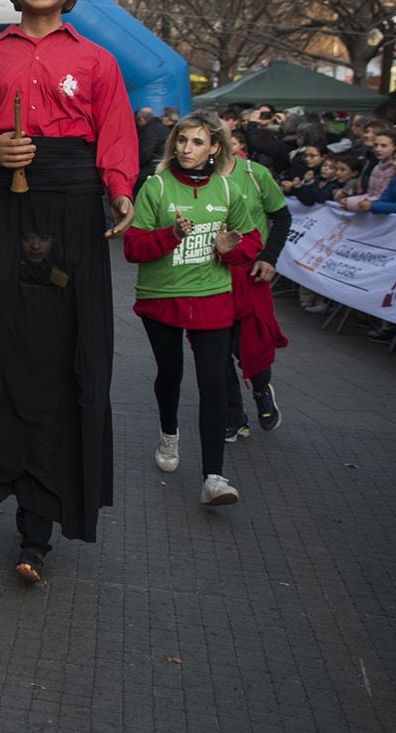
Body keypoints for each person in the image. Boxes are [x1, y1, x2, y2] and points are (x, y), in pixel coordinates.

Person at [0, 0, 136, 585]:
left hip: (70, 214)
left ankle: (38, 530)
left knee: (60, 358)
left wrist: (119, 191)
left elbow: (115, 137)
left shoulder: (98, 61)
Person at [125, 111, 260, 507]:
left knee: (214, 382)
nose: (187, 148)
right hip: (162, 297)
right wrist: (170, 235)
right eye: (182, 140)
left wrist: (230, 250)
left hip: (211, 296)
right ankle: (169, 433)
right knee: (171, 374)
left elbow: (249, 242)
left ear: (215, 147)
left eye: (198, 142)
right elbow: (133, 248)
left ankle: (213, 477)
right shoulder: (155, 188)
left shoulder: (228, 189)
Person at [221, 131, 291, 439]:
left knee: (251, 345)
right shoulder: (194, 177)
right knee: (215, 350)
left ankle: (262, 389)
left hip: (250, 274)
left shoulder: (255, 173)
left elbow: (283, 218)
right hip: (210, 275)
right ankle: (233, 415)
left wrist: (269, 257)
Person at [135, 107, 169, 194]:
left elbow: (145, 153)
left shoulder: (150, 131)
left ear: (141, 120)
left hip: (150, 169)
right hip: (162, 166)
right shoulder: (162, 127)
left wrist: (133, 165)